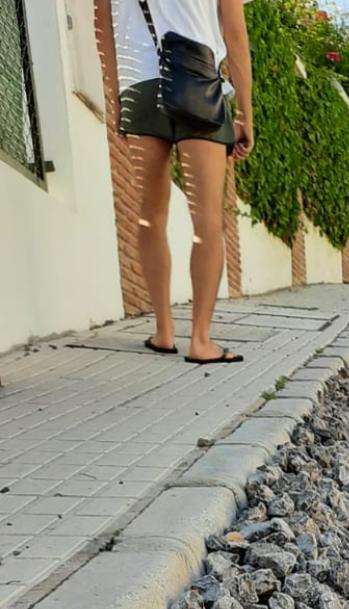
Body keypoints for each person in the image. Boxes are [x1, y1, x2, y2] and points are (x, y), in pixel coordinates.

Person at [95, 0, 254, 364]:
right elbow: (235, 34)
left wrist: (116, 96)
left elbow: (102, 26)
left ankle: (164, 331)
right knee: (208, 221)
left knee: (150, 215)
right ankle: (201, 340)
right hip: (198, 83)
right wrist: (245, 112)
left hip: (140, 88)